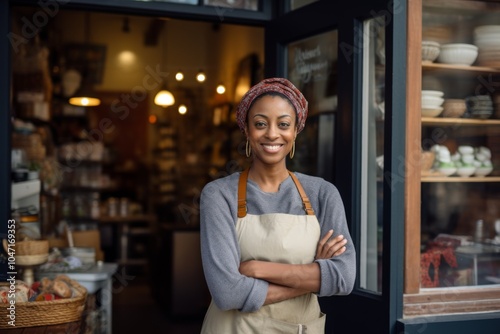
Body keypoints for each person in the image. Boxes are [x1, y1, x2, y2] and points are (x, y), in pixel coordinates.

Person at [199, 77, 356, 333]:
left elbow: (344, 278)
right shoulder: (219, 195)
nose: (272, 133)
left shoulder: (323, 194)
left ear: (295, 131)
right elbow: (227, 293)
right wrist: (315, 274)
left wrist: (255, 268)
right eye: (260, 124)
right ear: (247, 130)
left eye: (283, 124)